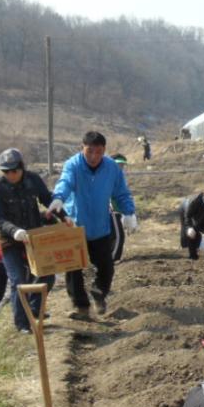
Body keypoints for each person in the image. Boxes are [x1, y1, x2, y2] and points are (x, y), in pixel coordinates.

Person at [49, 132, 139, 319]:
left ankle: (99, 294)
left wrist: (129, 212)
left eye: (98, 152)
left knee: (106, 267)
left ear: (104, 151)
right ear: (82, 148)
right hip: (75, 226)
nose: (93, 157)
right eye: (90, 151)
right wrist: (59, 198)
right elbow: (65, 182)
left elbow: (121, 193)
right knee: (73, 269)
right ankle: (81, 306)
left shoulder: (112, 168)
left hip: (100, 226)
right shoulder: (73, 165)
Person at [0, 148, 59, 333]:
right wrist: (14, 231)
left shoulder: (33, 180)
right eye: (6, 171)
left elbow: (47, 199)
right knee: (18, 280)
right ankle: (22, 324)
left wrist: (64, 214)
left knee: (48, 274)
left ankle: (34, 310)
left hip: (33, 237)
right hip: (10, 241)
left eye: (14, 170)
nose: (11, 175)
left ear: (21, 168)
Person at [109, 154, 130, 263]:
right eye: (119, 164)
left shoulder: (119, 176)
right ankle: (113, 258)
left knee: (113, 234)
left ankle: (110, 257)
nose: (121, 167)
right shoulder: (110, 176)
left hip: (117, 209)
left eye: (122, 165)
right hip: (112, 210)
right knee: (118, 235)